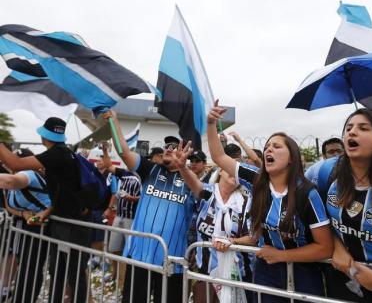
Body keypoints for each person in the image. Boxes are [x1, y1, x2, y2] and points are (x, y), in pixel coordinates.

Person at [207, 103, 333, 303]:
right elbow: (219, 156)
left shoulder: (306, 192)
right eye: (267, 146)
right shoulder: (257, 179)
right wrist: (211, 123)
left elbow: (325, 248)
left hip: (304, 271)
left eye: (276, 146)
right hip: (266, 269)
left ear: (292, 157)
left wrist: (281, 255)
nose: (268, 150)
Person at [103, 110, 194, 303]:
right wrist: (114, 121)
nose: (168, 149)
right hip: (140, 257)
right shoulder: (150, 169)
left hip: (172, 262)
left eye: (174, 147)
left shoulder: (191, 181)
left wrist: (185, 168)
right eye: (166, 146)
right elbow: (123, 152)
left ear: (185, 153)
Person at [0, 117, 93, 303]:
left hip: (73, 225)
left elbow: (15, 165)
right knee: (58, 270)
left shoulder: (57, 154)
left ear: (45, 137)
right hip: (64, 221)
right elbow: (61, 193)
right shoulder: (63, 153)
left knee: (72, 273)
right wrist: (46, 212)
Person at [308, 108, 372, 302]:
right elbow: (324, 223)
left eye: (363, 128)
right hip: (343, 281)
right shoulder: (329, 178)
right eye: (348, 128)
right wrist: (337, 247)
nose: (352, 132)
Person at [172, 141, 253, 303]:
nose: (233, 174)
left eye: (237, 173)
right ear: (221, 171)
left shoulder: (245, 202)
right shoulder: (208, 193)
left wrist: (232, 242)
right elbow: (194, 183)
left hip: (238, 274)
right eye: (229, 169)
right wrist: (182, 167)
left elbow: (253, 237)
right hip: (206, 273)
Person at [0, 148, 52, 303]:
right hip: (32, 225)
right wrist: (23, 215)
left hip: (45, 225)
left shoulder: (28, 175)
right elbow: (10, 207)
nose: (6, 159)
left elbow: (8, 181)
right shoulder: (17, 177)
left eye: (13, 157)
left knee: (31, 268)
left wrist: (31, 219)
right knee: (26, 267)